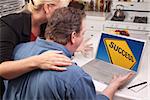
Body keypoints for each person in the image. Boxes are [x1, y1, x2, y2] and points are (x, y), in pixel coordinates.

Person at [3, 7, 134, 100]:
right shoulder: (74, 76)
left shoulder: (19, 50)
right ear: (73, 36)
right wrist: (113, 85)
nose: (83, 37)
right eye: (83, 34)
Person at [0, 0, 73, 98]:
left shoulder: (46, 25)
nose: (64, 14)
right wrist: (38, 61)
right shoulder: (10, 25)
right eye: (62, 9)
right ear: (48, 7)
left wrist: (74, 45)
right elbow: (2, 69)